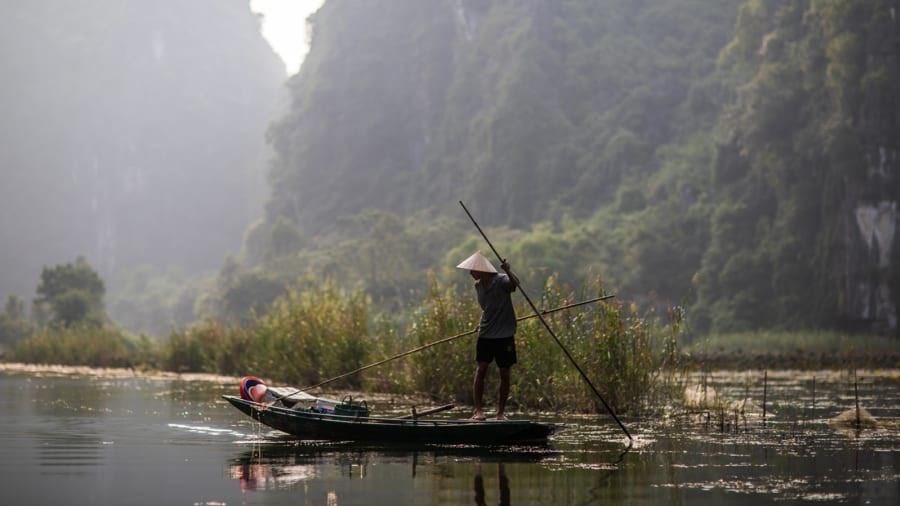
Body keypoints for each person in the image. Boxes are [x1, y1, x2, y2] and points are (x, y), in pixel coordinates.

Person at [456, 251, 520, 421]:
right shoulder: (478, 285)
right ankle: (478, 411)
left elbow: (515, 284)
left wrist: (508, 270)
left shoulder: (501, 280)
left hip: (504, 334)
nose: (470, 273)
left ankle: (500, 413)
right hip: (486, 333)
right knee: (481, 368)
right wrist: (482, 323)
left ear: (482, 270)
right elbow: (488, 308)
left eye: (473, 270)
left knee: (504, 372)